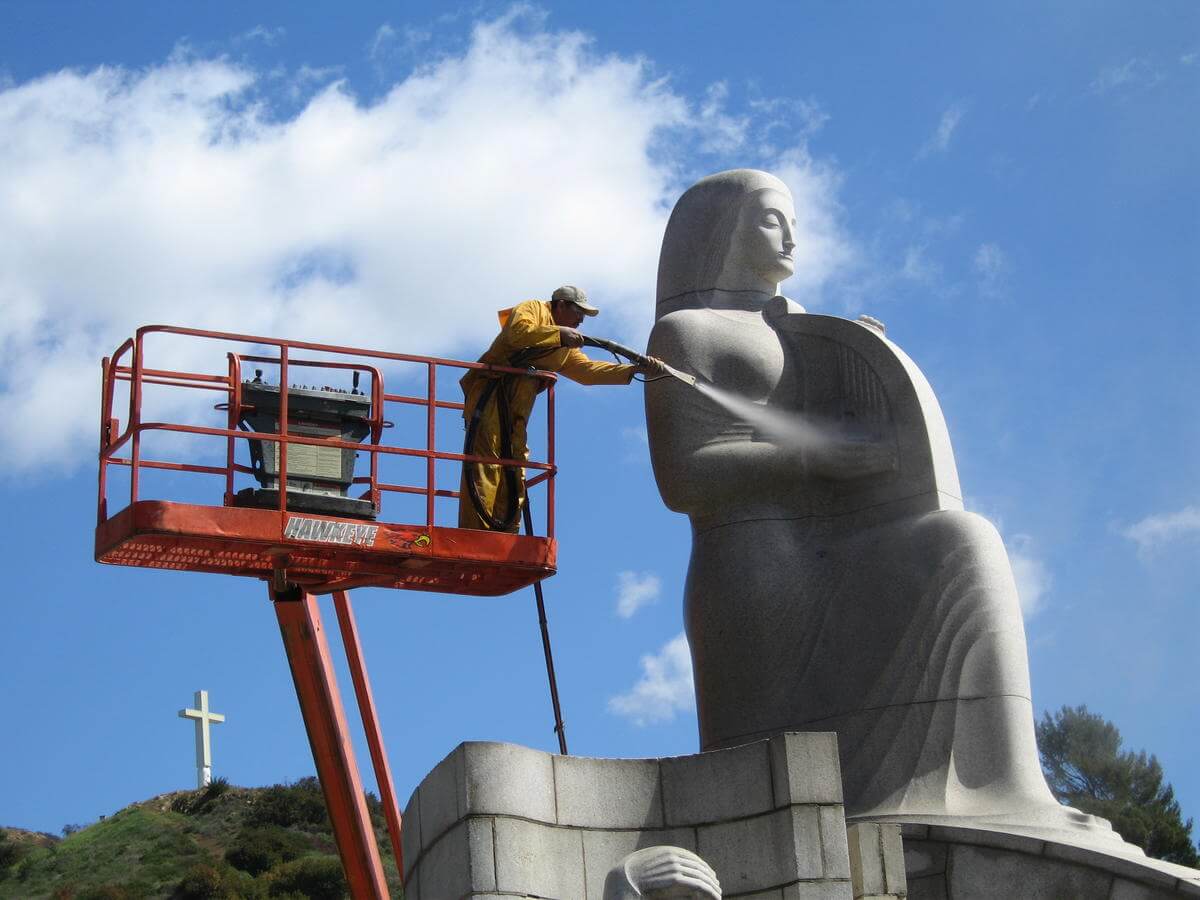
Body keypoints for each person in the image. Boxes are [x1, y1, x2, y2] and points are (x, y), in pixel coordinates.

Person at [644, 170, 1123, 848]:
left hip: (843, 547)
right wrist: (816, 458)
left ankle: (1000, 786)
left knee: (963, 542)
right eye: (770, 218)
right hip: (757, 566)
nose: (791, 234)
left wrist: (859, 364)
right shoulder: (687, 332)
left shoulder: (805, 326)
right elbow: (685, 475)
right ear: (719, 233)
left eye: (792, 219)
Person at [459, 285, 663, 531]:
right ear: (561, 305)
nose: (581, 320)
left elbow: (587, 372)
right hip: (490, 395)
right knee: (487, 461)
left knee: (514, 466)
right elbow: (516, 334)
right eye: (578, 313)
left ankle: (505, 532)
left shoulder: (565, 347)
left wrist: (635, 370)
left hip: (517, 411)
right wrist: (558, 333)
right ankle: (476, 532)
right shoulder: (534, 308)